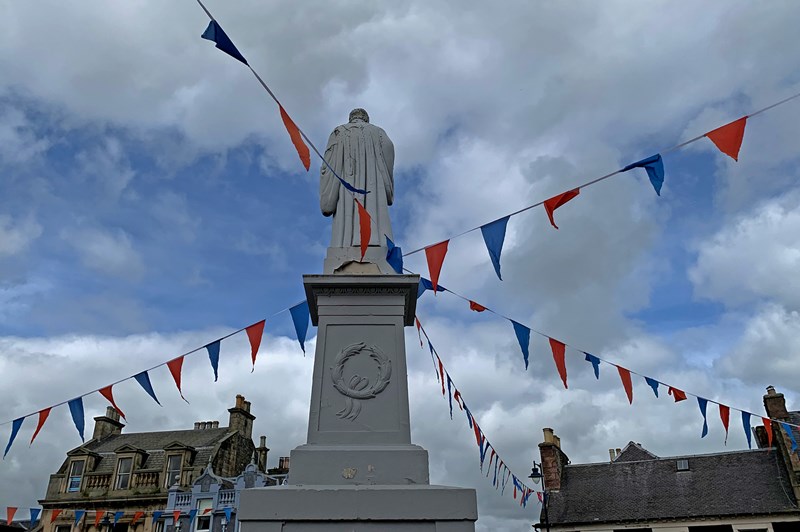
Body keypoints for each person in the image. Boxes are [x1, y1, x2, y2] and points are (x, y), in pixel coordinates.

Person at [320, 108, 395, 249]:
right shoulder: (378, 132)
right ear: (366, 119)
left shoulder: (339, 132)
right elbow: (388, 152)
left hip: (346, 182)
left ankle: (346, 241)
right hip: (374, 185)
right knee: (373, 206)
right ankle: (375, 239)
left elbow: (328, 165)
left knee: (347, 209)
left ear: (351, 118)